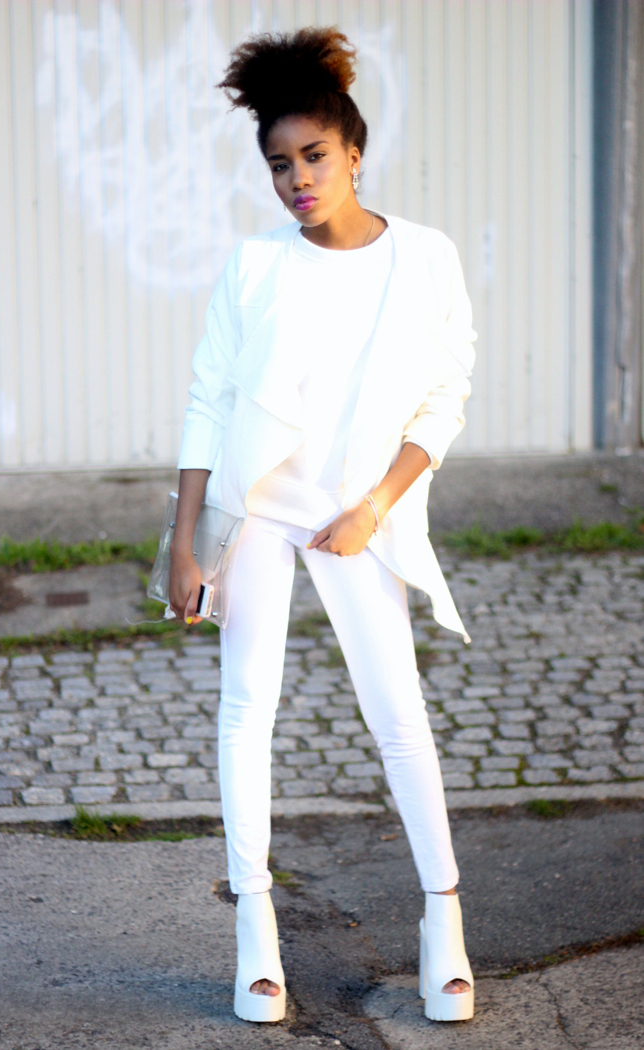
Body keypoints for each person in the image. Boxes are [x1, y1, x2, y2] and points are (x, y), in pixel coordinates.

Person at [169, 26, 477, 1025]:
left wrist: (375, 507)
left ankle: (444, 921)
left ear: (353, 150)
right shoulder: (255, 265)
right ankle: (254, 932)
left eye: (312, 156)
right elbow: (209, 400)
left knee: (398, 715)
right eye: (278, 165)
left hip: (359, 516)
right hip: (258, 511)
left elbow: (444, 399)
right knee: (246, 710)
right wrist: (185, 541)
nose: (297, 180)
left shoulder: (423, 258)